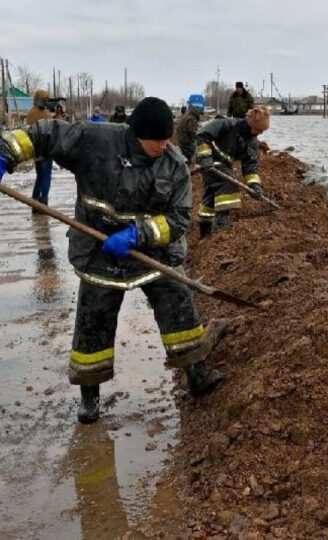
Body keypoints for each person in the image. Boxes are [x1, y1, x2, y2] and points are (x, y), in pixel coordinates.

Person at [0, 97, 223, 424]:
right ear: (136, 134)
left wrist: (139, 235)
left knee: (180, 308)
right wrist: (6, 154)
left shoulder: (173, 164)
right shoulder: (94, 139)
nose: (163, 146)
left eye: (167, 139)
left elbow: (178, 219)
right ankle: (89, 397)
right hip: (97, 248)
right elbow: (42, 134)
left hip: (150, 252)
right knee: (93, 324)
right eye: (156, 140)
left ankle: (197, 374)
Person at [195, 105, 270, 237]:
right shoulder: (227, 124)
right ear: (251, 122)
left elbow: (250, 165)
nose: (260, 133)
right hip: (209, 161)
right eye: (259, 129)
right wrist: (205, 157)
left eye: (262, 130)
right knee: (229, 184)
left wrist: (255, 185)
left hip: (224, 164)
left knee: (212, 194)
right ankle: (221, 225)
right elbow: (202, 135)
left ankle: (204, 231)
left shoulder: (251, 141)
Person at [26, 89, 54, 208]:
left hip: (35, 150)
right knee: (46, 177)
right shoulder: (45, 114)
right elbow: (53, 126)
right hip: (46, 150)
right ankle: (44, 203)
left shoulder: (30, 113)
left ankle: (35, 202)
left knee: (39, 176)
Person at [175, 99, 202, 164]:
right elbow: (192, 132)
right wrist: (197, 140)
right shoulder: (192, 119)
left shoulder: (185, 116)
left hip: (182, 141)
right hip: (187, 142)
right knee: (198, 154)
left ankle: (187, 169)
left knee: (186, 158)